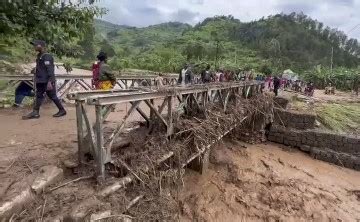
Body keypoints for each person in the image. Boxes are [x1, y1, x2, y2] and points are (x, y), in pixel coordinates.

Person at [23, 40, 66, 119]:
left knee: (52, 96)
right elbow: (42, 68)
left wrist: (50, 81)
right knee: (38, 96)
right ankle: (35, 112)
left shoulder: (47, 56)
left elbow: (50, 70)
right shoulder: (40, 56)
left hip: (47, 81)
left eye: (36, 45)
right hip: (40, 80)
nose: (34, 47)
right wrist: (35, 70)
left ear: (41, 46)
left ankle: (62, 110)